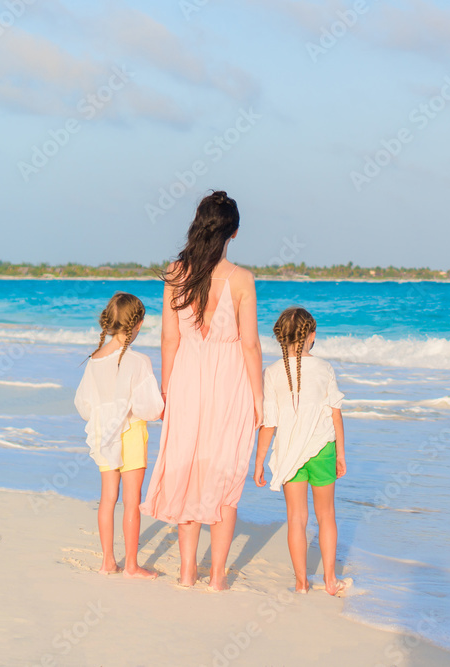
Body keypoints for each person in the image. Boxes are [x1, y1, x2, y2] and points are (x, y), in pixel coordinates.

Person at [140, 191, 263, 591]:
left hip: (187, 381)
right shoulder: (243, 279)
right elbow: (249, 344)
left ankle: (187, 571)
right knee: (225, 473)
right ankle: (217, 577)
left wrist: (166, 388)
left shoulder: (177, 272)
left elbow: (169, 340)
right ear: (234, 232)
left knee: (189, 470)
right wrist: (260, 398)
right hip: (230, 385)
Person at [253, 307, 348, 595]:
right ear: (311, 335)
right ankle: (331, 580)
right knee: (326, 515)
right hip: (323, 449)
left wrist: (259, 461)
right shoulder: (324, 368)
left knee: (296, 518)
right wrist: (341, 454)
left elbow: (268, 423)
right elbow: (335, 413)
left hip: (289, 454)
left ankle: (301, 583)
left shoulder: (270, 372)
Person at [75, 292, 163, 579]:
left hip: (103, 434)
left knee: (107, 498)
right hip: (132, 432)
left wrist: (105, 417)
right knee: (131, 500)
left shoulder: (95, 359)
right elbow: (149, 409)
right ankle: (132, 566)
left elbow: (84, 405)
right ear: (136, 324)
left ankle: (108, 562)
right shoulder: (139, 361)